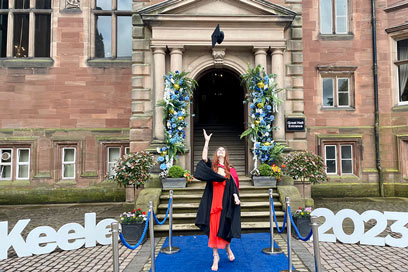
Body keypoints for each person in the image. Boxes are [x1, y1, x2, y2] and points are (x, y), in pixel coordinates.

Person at [194, 129, 241, 271]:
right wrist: (206, 142)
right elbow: (203, 158)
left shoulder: (230, 169)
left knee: (225, 227)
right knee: (214, 229)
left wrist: (236, 196)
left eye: (223, 150)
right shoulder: (212, 167)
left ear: (226, 154)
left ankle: (227, 249)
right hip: (213, 202)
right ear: (216, 154)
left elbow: (233, 185)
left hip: (226, 203)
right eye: (218, 150)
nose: (220, 151)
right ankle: (216, 256)